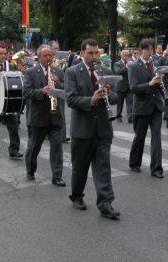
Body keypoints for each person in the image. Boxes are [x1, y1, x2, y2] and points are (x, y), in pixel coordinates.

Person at [65, 38, 120, 219]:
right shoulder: (72, 72)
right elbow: (71, 99)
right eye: (90, 53)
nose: (94, 56)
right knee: (80, 167)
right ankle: (77, 195)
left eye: (96, 52)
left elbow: (116, 97)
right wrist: (92, 99)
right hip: (83, 128)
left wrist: (109, 94)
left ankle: (105, 203)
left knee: (103, 167)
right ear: (82, 53)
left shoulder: (105, 70)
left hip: (103, 127)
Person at [24, 44, 65, 186]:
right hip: (38, 116)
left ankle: (57, 176)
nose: (49, 58)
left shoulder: (58, 72)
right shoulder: (30, 72)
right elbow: (27, 93)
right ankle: (30, 170)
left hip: (55, 116)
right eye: (45, 56)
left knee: (57, 148)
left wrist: (57, 82)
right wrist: (41, 91)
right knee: (34, 146)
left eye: (50, 55)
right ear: (39, 57)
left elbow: (66, 90)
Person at [128, 39, 165, 178]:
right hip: (142, 106)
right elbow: (133, 88)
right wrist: (149, 84)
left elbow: (158, 83)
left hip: (156, 105)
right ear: (141, 49)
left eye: (152, 49)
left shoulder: (154, 64)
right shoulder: (134, 66)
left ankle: (156, 168)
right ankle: (134, 162)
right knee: (140, 137)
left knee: (157, 137)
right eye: (148, 49)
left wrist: (160, 81)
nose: (151, 52)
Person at [48, 40, 70, 143]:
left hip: (58, 92)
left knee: (61, 113)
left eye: (58, 48)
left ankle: (63, 135)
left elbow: (65, 83)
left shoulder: (61, 64)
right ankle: (48, 133)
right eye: (55, 48)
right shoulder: (46, 62)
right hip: (48, 92)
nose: (57, 51)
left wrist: (63, 66)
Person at [113, 49, 134, 123]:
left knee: (130, 102)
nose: (126, 57)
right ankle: (118, 116)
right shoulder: (117, 63)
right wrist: (126, 67)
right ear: (121, 55)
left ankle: (130, 117)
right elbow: (118, 72)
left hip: (129, 86)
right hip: (120, 86)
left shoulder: (131, 62)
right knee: (120, 103)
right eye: (125, 55)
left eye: (128, 55)